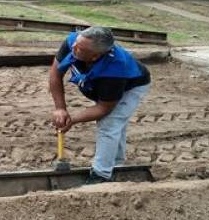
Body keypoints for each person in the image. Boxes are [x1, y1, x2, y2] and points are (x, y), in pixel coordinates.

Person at [49, 26, 151, 184]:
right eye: (76, 43)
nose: (74, 48)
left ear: (95, 56)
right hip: (101, 85)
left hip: (131, 86)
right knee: (115, 123)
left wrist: (73, 120)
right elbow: (55, 73)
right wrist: (60, 108)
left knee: (110, 122)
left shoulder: (115, 69)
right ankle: (116, 163)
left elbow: (104, 108)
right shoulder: (73, 41)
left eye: (80, 48)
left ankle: (101, 176)